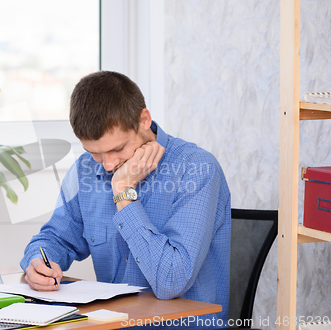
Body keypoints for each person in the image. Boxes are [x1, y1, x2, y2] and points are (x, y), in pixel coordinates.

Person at [20, 71, 231, 327]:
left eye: (118, 149)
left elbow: (171, 281)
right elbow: (55, 238)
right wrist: (38, 263)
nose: (108, 165)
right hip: (113, 324)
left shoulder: (196, 169)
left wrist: (123, 191)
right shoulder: (86, 169)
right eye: (95, 153)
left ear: (144, 120)